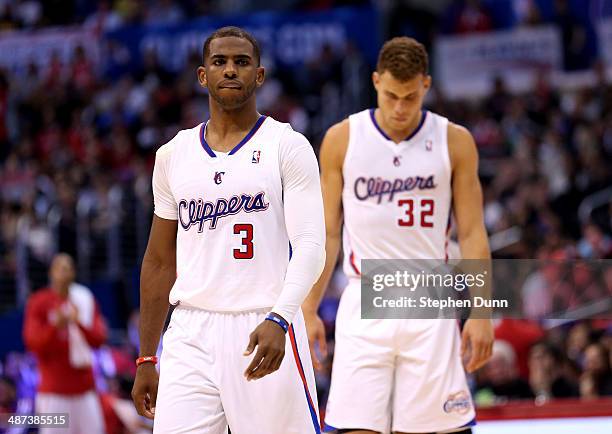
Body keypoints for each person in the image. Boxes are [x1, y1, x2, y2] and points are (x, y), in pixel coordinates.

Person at [130, 26, 326, 434]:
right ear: (203, 76)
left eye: (242, 62)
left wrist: (281, 317)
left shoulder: (287, 145)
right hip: (190, 330)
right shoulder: (172, 155)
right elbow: (160, 260)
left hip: (265, 321)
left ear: (260, 75)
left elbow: (310, 246)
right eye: (220, 62)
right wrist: (147, 357)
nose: (230, 70)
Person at [303, 37, 494, 434]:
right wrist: (308, 308)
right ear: (375, 82)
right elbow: (328, 233)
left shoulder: (455, 141)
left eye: (410, 96)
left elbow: (473, 232)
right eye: (391, 95)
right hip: (363, 293)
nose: (400, 108)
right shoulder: (342, 139)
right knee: (355, 428)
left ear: (426, 84)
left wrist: (481, 310)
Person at [23, 253, 108, 434]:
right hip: (54, 392)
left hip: (85, 389)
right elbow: (33, 344)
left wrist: (78, 323)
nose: (65, 273)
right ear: (51, 272)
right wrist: (55, 327)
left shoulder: (84, 298)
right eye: (61, 268)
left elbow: (99, 339)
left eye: (69, 268)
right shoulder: (39, 302)